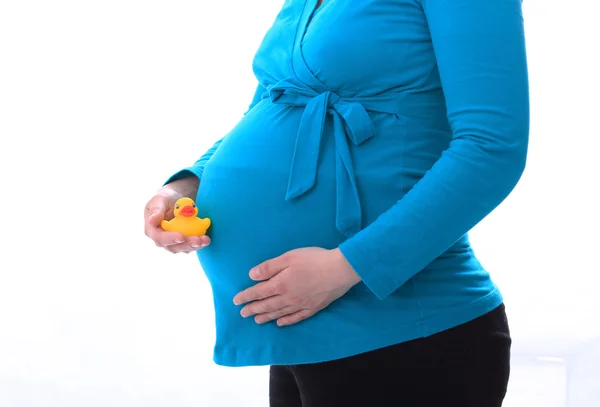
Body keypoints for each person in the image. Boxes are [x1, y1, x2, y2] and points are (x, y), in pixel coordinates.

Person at [143, 0, 529, 405]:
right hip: (300, 331)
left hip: (402, 333)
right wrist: (187, 185)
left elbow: (491, 148)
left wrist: (347, 266)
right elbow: (276, 101)